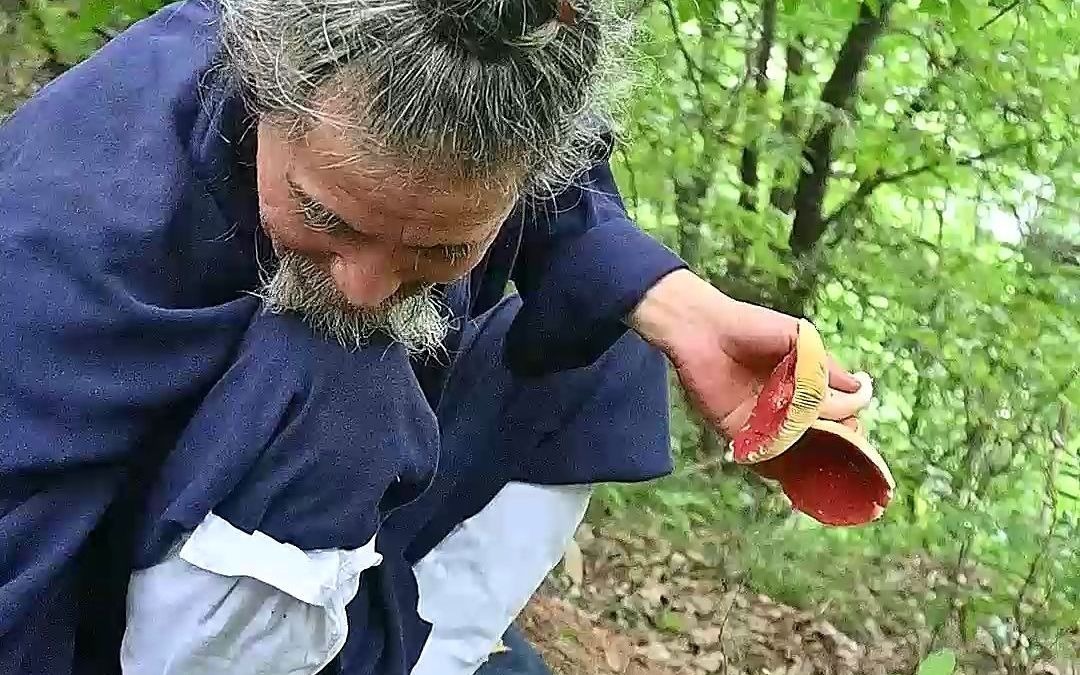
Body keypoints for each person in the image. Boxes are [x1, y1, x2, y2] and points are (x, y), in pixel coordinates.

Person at [0, 1, 869, 674]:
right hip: (118, 594)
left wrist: (679, 307)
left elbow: (571, 208)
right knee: (338, 377)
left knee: (618, 327)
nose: (369, 284)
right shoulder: (73, 223)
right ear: (260, 86)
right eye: (325, 216)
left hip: (329, 546)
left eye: (442, 247)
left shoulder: (503, 67)